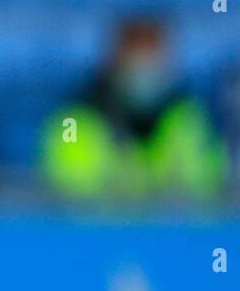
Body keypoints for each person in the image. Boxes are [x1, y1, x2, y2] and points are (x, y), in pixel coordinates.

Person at [42, 18, 224, 199]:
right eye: (136, 64)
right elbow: (72, 197)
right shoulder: (75, 123)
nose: (145, 75)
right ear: (113, 63)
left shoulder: (188, 117)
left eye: (153, 64)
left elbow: (206, 188)